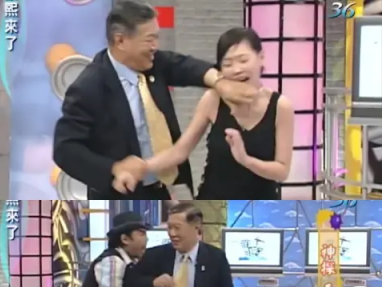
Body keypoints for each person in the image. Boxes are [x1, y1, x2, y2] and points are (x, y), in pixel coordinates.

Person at [53, 1, 260, 200]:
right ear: (120, 41)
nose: (155, 46)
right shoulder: (89, 86)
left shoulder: (154, 63)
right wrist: (113, 170)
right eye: (149, 39)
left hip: (167, 190)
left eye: (157, 38)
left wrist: (220, 82)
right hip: (122, 195)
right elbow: (65, 149)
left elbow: (186, 67)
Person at [114, 27, 295, 200]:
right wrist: (143, 166)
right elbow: (180, 151)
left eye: (243, 60)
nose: (237, 69)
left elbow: (282, 171)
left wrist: (245, 160)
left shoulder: (281, 106)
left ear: (261, 58)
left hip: (260, 205)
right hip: (212, 202)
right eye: (228, 64)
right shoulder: (213, 99)